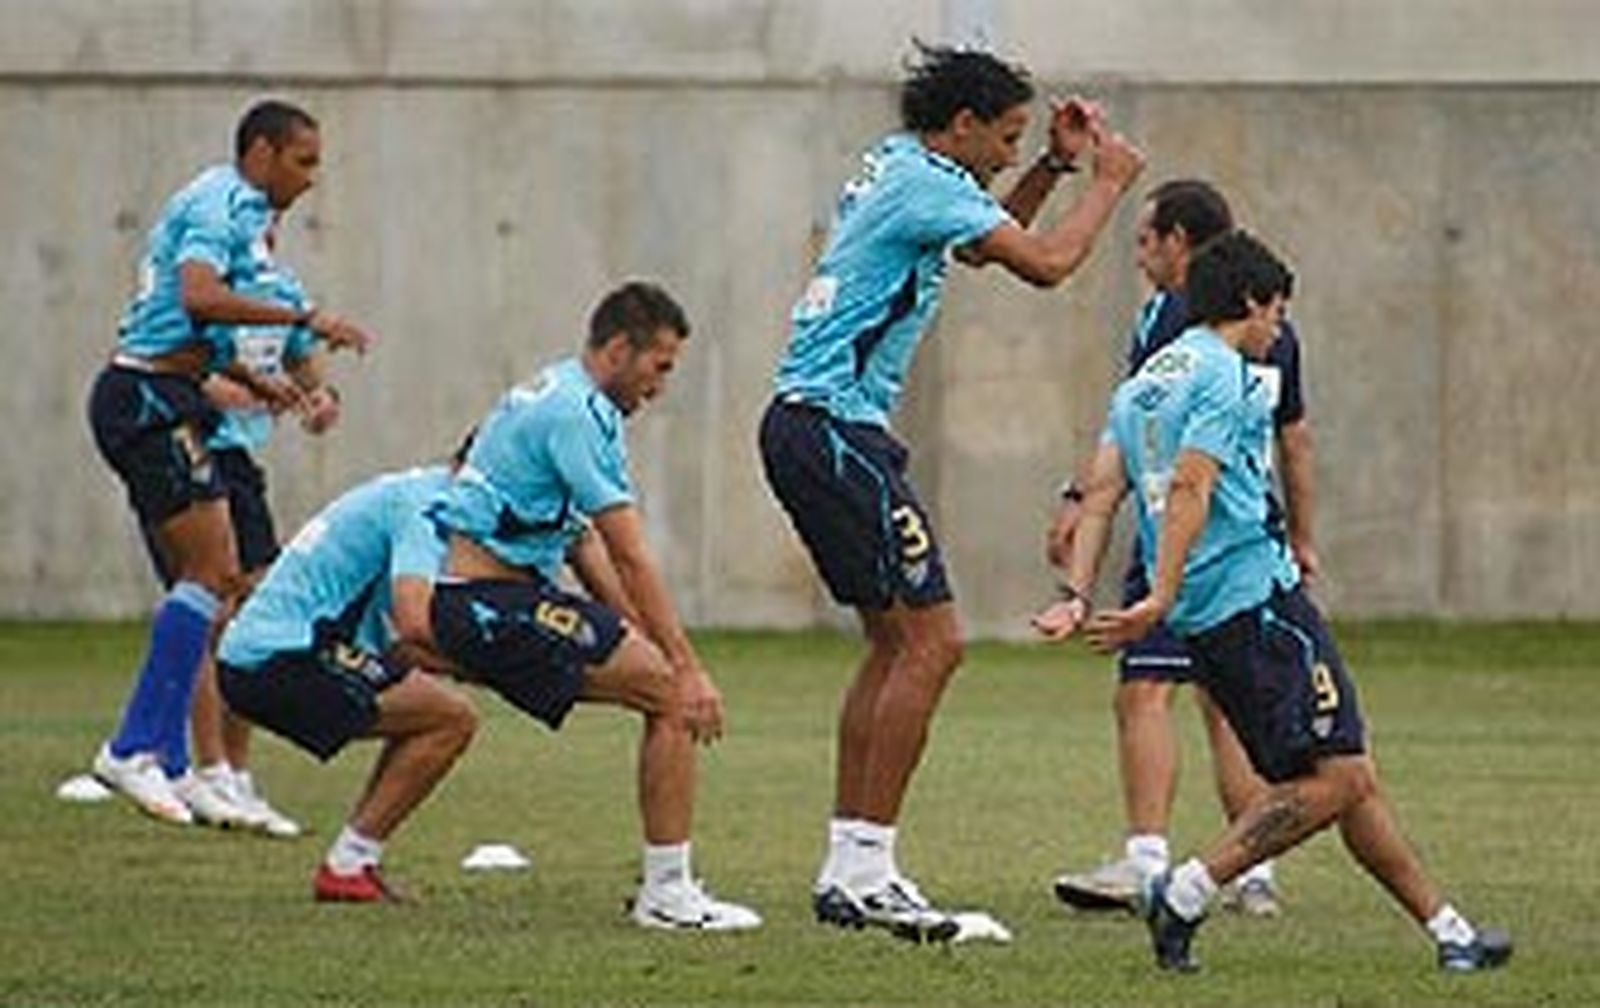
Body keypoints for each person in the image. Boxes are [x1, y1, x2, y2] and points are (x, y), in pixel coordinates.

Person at [1033, 230, 1512, 974]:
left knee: (1346, 777)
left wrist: (1075, 593)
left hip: (1212, 619)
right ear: (1252, 302)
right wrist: (1158, 591)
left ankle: (1451, 934)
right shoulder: (1224, 375)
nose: (1279, 330)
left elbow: (1100, 496)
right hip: (1258, 606)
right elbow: (1190, 485)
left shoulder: (1145, 382)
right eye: (1278, 312)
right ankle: (1184, 891)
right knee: (1340, 778)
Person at [757, 41, 1145, 940]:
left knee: (895, 646)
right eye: (1007, 136)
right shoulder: (927, 185)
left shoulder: (903, 164)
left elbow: (979, 247)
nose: (1011, 152)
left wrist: (1053, 164)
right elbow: (1044, 262)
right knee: (935, 647)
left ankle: (848, 868)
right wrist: (1108, 182)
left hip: (808, 427)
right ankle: (870, 870)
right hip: (835, 429)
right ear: (962, 125)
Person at [426, 281, 761, 931]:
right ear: (617, 350)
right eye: (659, 366)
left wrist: (636, 631)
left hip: (499, 597)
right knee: (670, 695)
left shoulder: (560, 393)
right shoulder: (575, 414)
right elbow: (630, 554)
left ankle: (354, 853)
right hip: (487, 604)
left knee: (657, 681)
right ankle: (667, 895)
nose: (660, 385)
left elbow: (580, 541)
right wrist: (685, 665)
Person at [87, 98, 371, 825]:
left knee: (217, 586)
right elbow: (199, 298)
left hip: (167, 396)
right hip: (146, 398)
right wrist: (306, 319)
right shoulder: (223, 201)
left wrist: (266, 384)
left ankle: (176, 761)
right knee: (213, 581)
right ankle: (136, 749)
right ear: (262, 152)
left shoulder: (244, 218)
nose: (311, 178)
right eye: (303, 161)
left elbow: (199, 332)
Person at [1048, 179, 1315, 916]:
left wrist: (1083, 504)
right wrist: (1303, 535)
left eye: (1145, 240)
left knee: (1144, 690)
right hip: (1254, 542)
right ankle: (1253, 869)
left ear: (1180, 242)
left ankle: (1146, 863)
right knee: (1227, 704)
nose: (1139, 256)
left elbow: (1145, 437)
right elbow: (1294, 438)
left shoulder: (1180, 324)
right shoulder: (1274, 328)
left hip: (1183, 536)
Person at [143, 243, 342, 835]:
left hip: (237, 462)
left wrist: (320, 398)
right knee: (209, 610)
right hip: (187, 448)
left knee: (250, 616)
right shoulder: (190, 287)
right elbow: (151, 359)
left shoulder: (279, 289)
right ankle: (205, 770)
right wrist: (210, 388)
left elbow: (302, 359)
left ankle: (231, 770)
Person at [216, 458, 476, 902]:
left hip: (266, 652)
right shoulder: (431, 506)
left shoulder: (411, 491)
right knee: (450, 719)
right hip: (284, 656)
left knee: (430, 711)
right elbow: (414, 625)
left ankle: (352, 862)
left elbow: (402, 646)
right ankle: (348, 863)